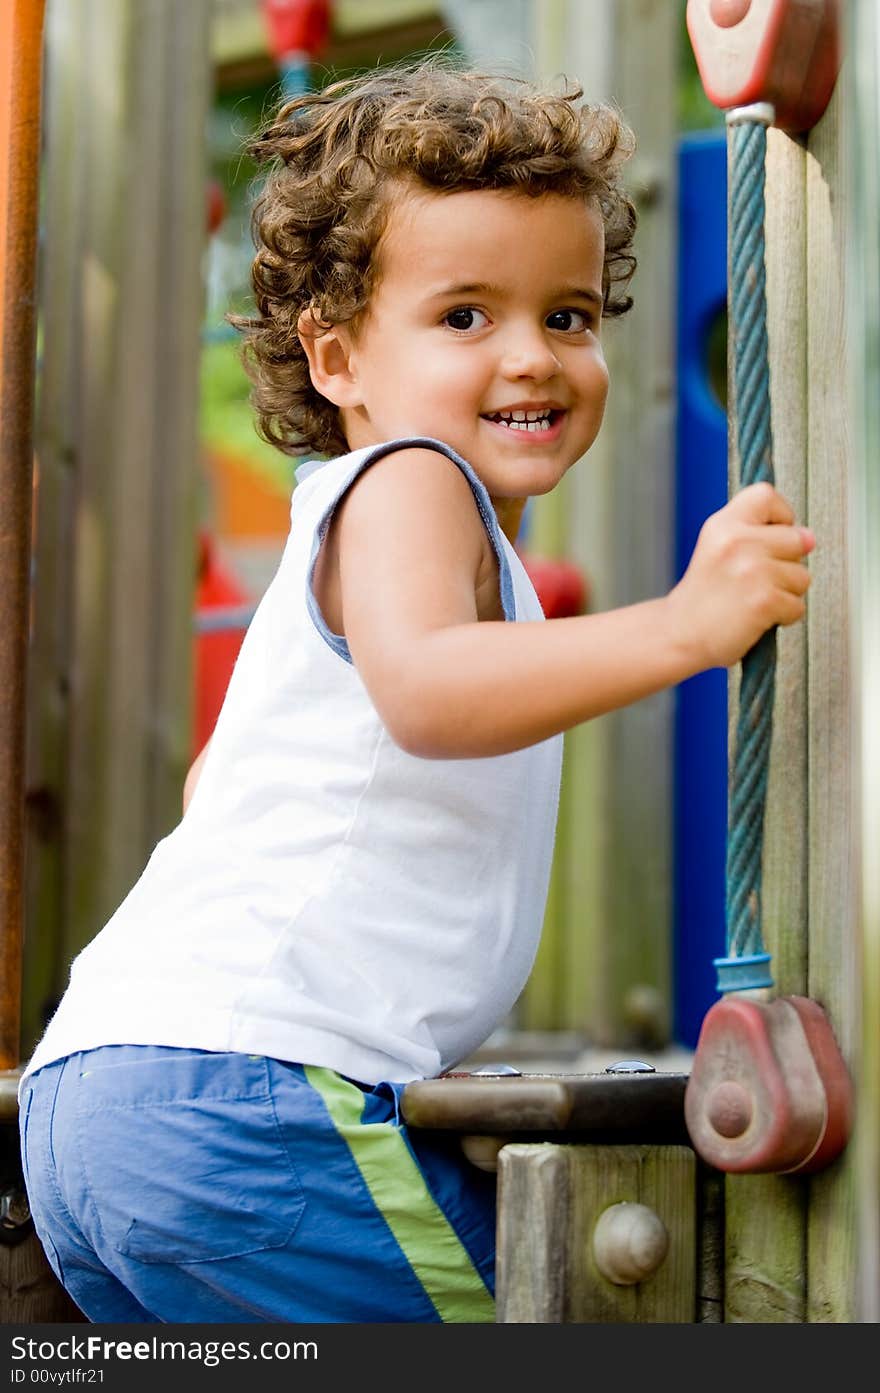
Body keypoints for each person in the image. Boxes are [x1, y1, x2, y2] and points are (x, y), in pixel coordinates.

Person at [18, 59, 814, 1325]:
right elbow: (432, 695)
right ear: (336, 357)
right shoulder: (409, 482)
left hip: (101, 1094)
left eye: (567, 316)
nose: (532, 357)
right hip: (252, 1102)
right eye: (463, 317)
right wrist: (682, 626)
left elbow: (213, 788)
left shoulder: (345, 537)